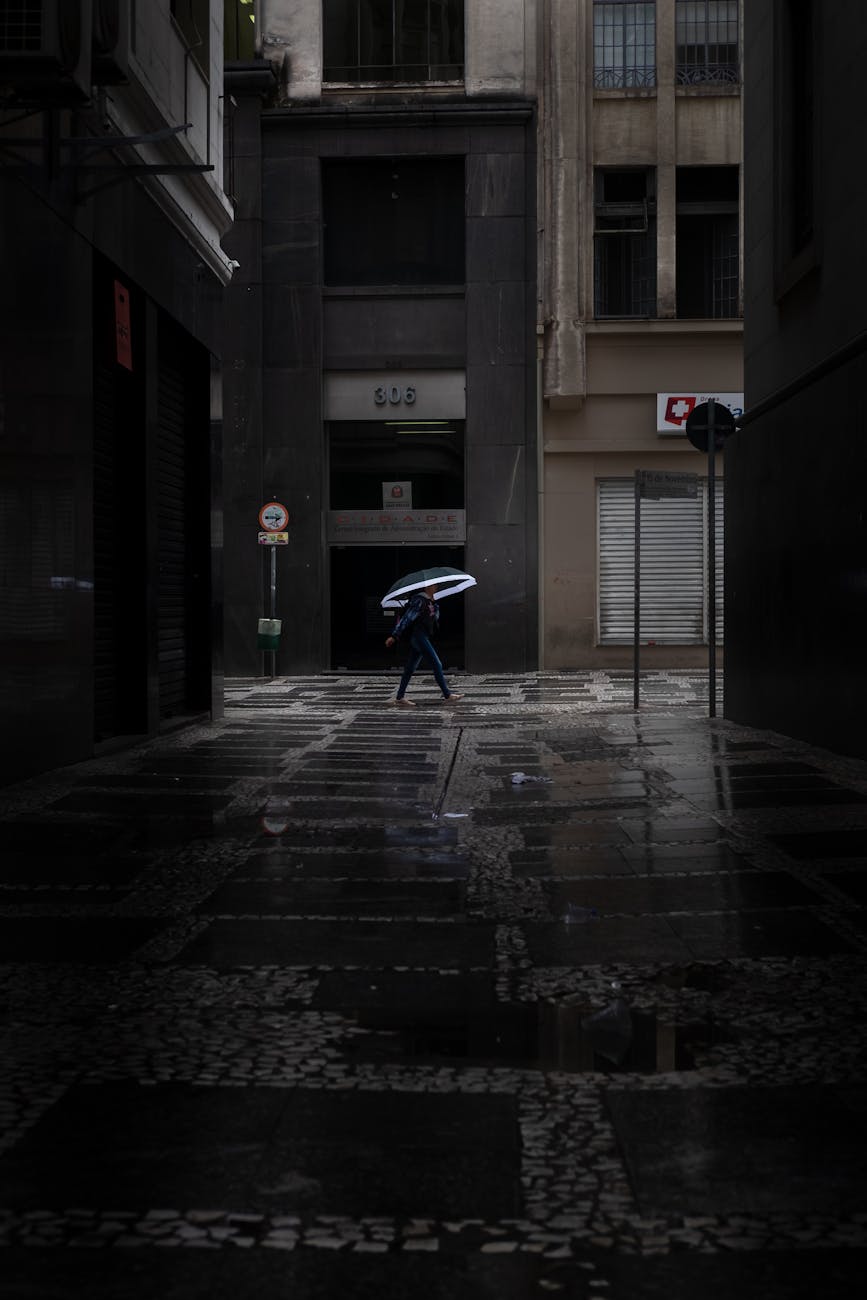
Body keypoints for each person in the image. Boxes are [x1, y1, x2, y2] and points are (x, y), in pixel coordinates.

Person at [385, 585, 463, 707]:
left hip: (423, 636)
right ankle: (447, 695)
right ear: (427, 587)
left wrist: (434, 606)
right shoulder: (419, 600)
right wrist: (394, 635)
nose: (436, 588)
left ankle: (400, 697)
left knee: (410, 668)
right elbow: (407, 618)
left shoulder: (430, 602)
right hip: (419, 637)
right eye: (434, 586)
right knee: (437, 664)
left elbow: (435, 619)